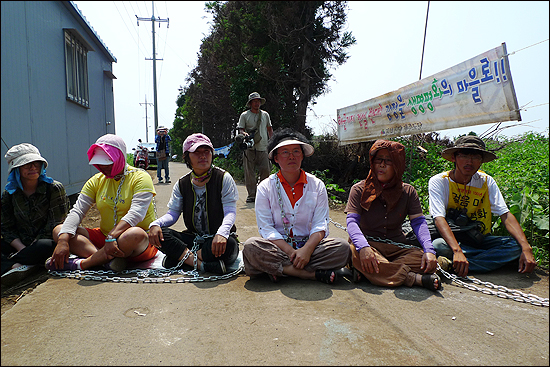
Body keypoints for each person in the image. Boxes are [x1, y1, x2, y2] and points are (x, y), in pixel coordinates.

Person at [242, 128, 351, 284]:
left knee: (342, 248)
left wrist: (306, 251)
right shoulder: (265, 187)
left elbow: (321, 224)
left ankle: (279, 270)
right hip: (278, 248)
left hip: (311, 249)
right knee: (251, 247)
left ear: (302, 156)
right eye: (285, 152)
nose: (291, 156)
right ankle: (308, 274)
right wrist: (291, 252)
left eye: (296, 151)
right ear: (276, 158)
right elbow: (266, 228)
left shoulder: (317, 185)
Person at [428, 135, 536, 277]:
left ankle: (452, 265)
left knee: (516, 246)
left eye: (476, 157)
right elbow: (439, 218)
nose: (470, 162)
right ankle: (479, 260)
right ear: (454, 157)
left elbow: (505, 214)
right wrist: (457, 251)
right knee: (438, 246)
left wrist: (526, 248)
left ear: (481, 162)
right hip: (454, 240)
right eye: (464, 155)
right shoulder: (440, 181)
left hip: (480, 238)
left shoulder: (486, 181)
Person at [46, 134, 158, 271]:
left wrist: (112, 237)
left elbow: (137, 213)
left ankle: (84, 264)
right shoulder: (97, 180)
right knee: (60, 230)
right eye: (99, 163)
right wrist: (63, 241)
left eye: (107, 162)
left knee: (134, 234)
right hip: (105, 238)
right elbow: (78, 210)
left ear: (120, 157)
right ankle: (106, 260)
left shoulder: (140, 177)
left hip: (135, 241)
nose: (102, 167)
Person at [345, 140, 441, 291]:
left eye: (389, 161)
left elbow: (418, 223)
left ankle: (372, 272)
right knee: (353, 252)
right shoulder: (359, 189)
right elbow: (351, 222)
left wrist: (429, 250)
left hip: (397, 248)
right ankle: (413, 278)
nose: (382, 165)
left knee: (422, 259)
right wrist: (363, 247)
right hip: (368, 246)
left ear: (398, 164)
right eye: (378, 160)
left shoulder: (408, 192)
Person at [148, 133, 239, 274]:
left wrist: (222, 233)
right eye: (197, 152)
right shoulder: (182, 184)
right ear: (187, 157)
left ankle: (180, 260)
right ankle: (202, 265)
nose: (203, 156)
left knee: (230, 245)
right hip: (194, 239)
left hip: (217, 239)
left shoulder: (223, 178)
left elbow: (230, 212)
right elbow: (172, 214)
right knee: (160, 233)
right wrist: (155, 224)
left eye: (206, 151)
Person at [1, 143, 70, 286]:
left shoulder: (54, 189)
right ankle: (20, 265)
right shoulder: (9, 195)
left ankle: (12, 264)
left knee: (44, 246)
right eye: (26, 165)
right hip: (20, 244)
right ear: (16, 169)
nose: (33, 168)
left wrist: (32, 248)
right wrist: (21, 248)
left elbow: (56, 223)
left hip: (44, 242)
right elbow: (6, 227)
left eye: (36, 164)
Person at [237, 92, 274, 203]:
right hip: (250, 148)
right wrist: (245, 135)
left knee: (265, 171)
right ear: (250, 103)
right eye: (254, 101)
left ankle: (262, 194)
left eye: (258, 101)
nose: (256, 103)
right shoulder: (244, 115)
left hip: (263, 147)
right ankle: (252, 195)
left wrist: (272, 142)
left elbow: (269, 129)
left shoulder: (265, 115)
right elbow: (241, 129)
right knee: (249, 172)